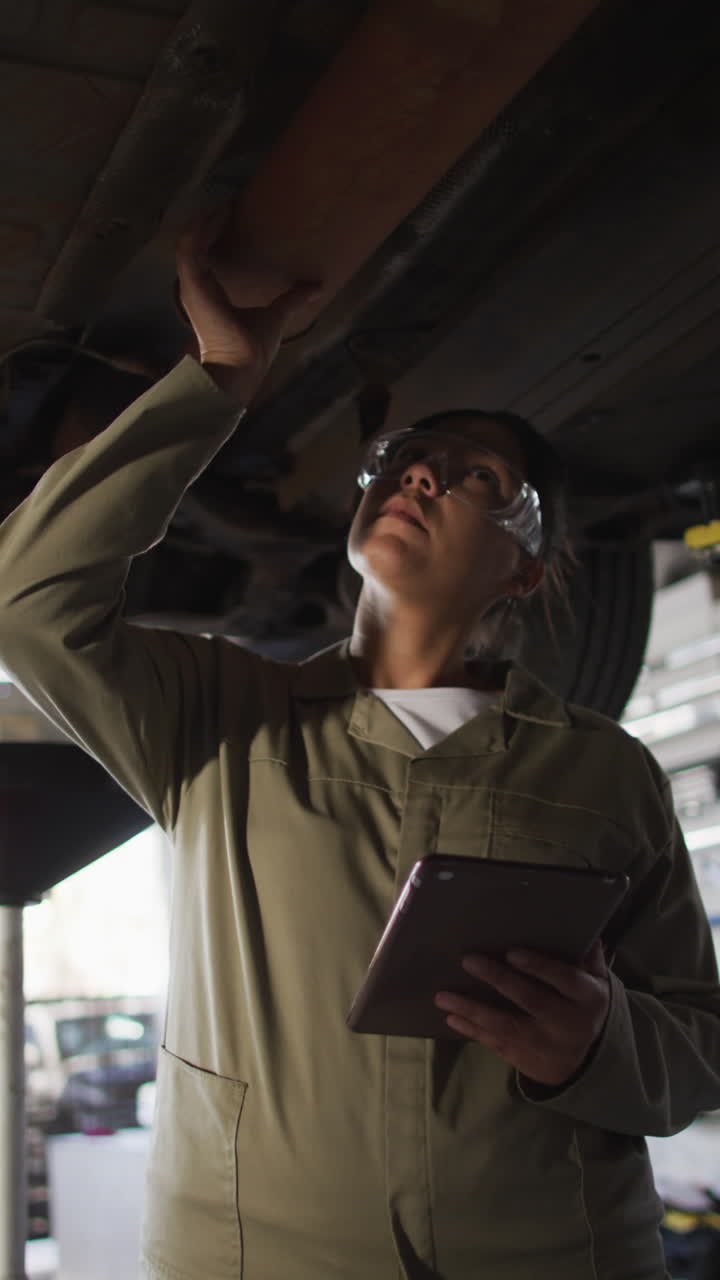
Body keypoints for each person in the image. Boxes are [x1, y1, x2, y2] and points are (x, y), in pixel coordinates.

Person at [1, 204, 720, 1280]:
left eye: (477, 476)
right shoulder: (216, 716)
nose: (422, 474)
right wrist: (220, 381)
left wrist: (601, 1042)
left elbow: (699, 1046)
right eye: (409, 456)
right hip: (253, 1253)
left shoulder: (605, 770)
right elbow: (29, 600)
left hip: (551, 1252)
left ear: (526, 569)